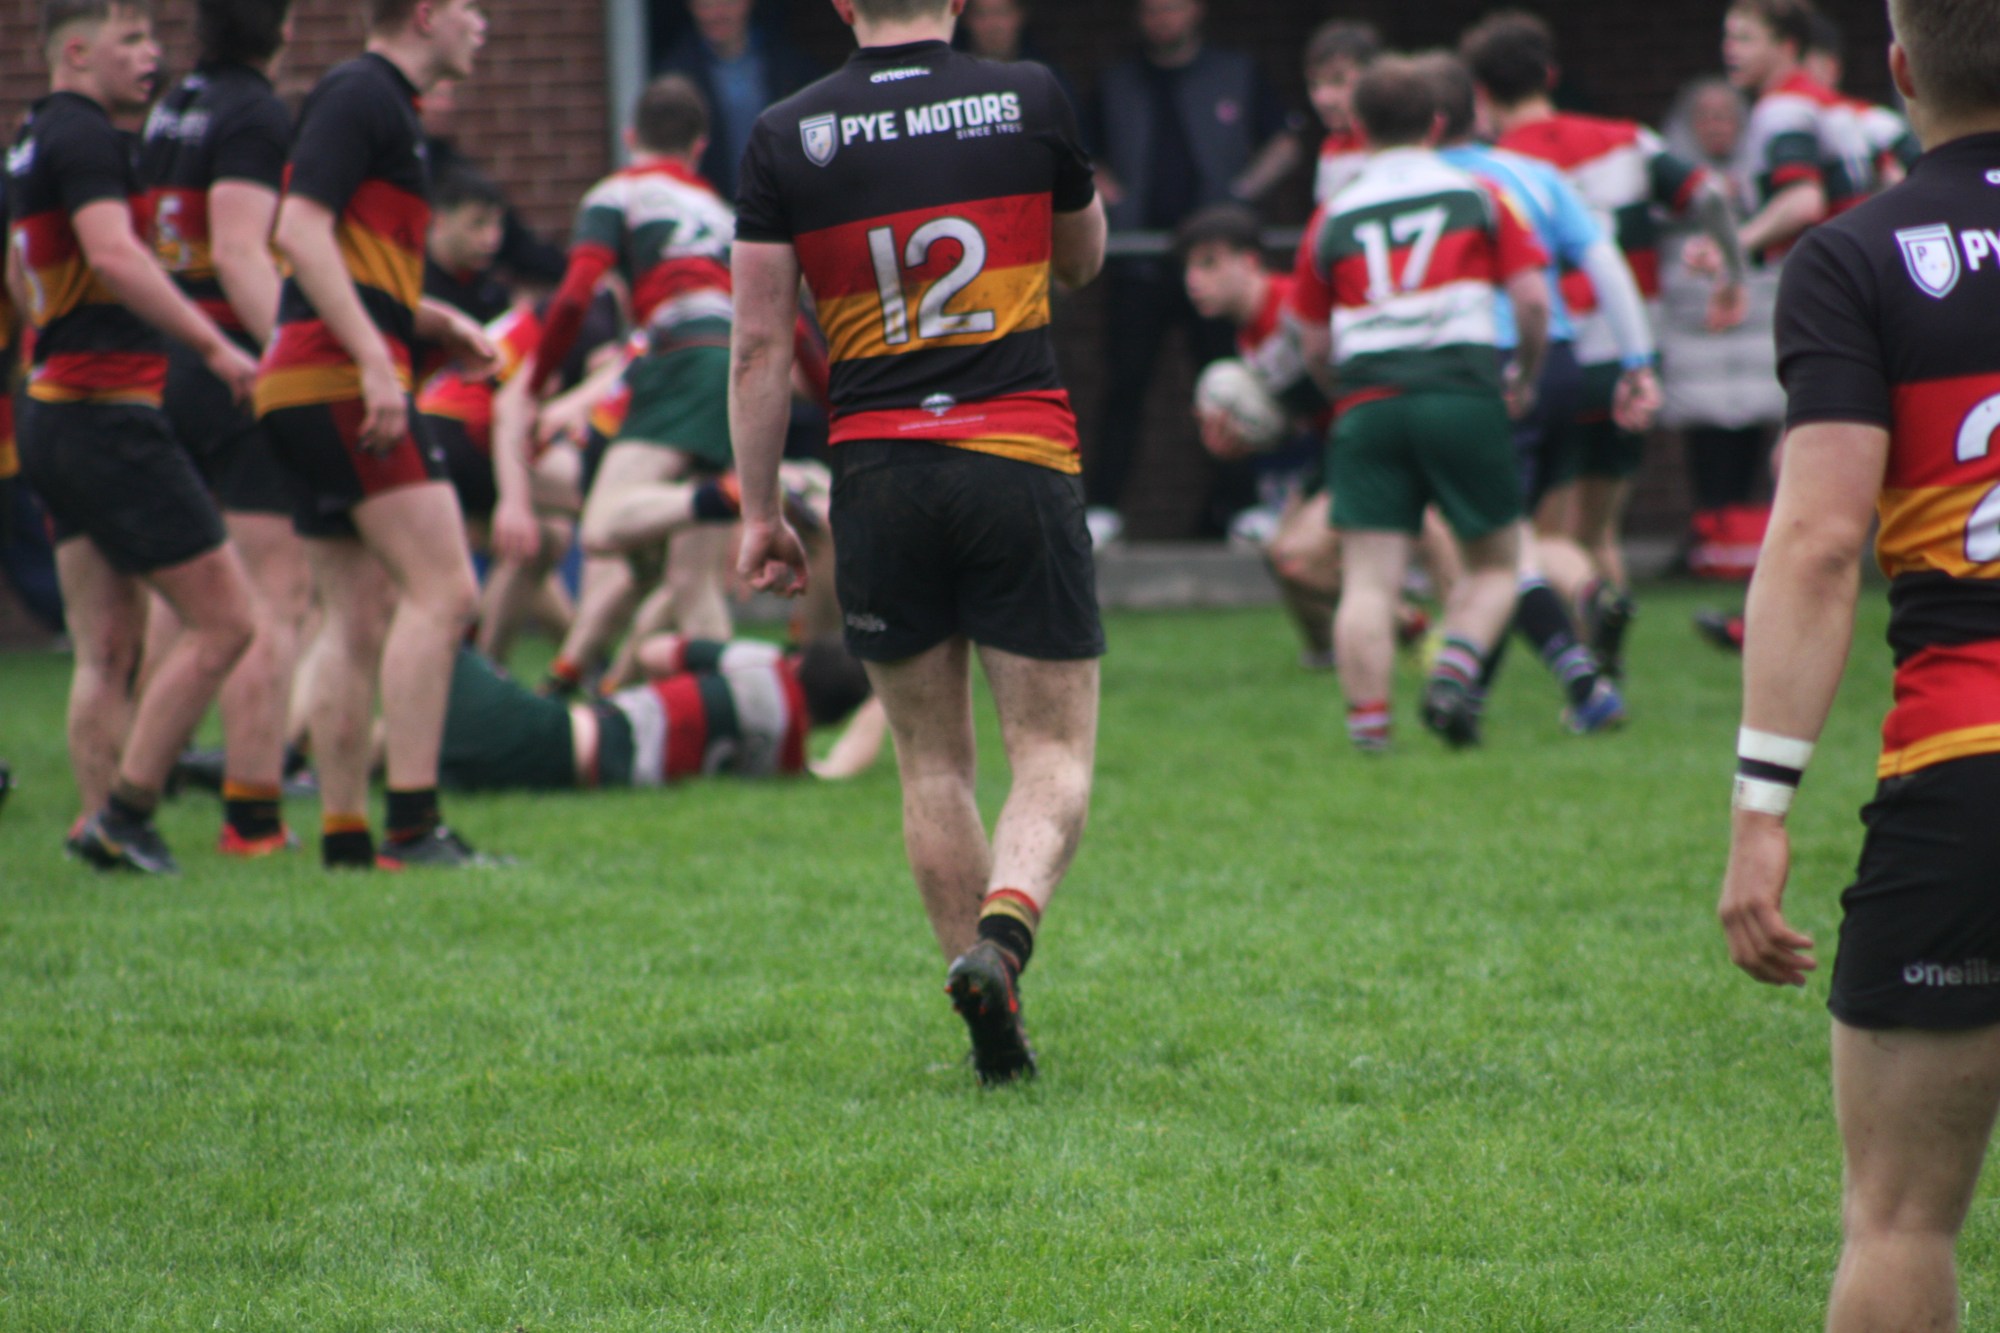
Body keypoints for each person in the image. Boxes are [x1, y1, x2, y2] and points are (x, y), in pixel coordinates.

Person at [730, 0, 1108, 1084]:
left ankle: (989, 1013)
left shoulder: (785, 134)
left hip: (877, 475)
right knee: (1051, 754)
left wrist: (761, 512)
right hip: (1016, 456)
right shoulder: (1027, 96)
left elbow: (758, 347)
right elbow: (1081, 261)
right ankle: (1005, 940)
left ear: (842, 4)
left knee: (931, 763)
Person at [1717, 3, 2000, 1325]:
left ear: (1896, 70)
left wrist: (1760, 808)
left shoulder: (1852, 257)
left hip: (1966, 766)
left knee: (1899, 1218)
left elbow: (1821, 543)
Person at [6, 0, 261, 874]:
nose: (153, 54)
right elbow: (114, 255)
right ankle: (127, 810)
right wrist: (215, 346)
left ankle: (97, 826)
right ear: (77, 51)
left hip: (50, 407)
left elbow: (23, 279)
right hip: (106, 412)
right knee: (228, 619)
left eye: (154, 37)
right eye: (133, 39)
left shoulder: (33, 136)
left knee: (105, 645)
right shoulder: (87, 137)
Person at [254, 0, 500, 870]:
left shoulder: (381, 102)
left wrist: (431, 320)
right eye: (469, 7)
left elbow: (349, 261)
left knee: (355, 614)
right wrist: (373, 358)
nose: (482, 24)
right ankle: (413, 825)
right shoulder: (362, 93)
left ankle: (346, 834)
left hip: (307, 381)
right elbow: (298, 231)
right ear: (426, 14)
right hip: (335, 379)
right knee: (447, 592)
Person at [1464, 9, 1749, 680]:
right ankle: (1608, 664)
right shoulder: (1628, 141)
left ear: (1481, 92)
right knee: (1600, 530)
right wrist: (1732, 274)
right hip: (1630, 359)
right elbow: (1709, 195)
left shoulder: (1497, 169)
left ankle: (1588, 647)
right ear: (1550, 75)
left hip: (1556, 361)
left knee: (1545, 535)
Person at [1289, 54, 1548, 754]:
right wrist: (1523, 374)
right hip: (1461, 392)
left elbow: (1311, 340)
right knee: (1496, 563)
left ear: (1359, 127)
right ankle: (1453, 674)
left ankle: (1370, 734)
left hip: (1367, 402)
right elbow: (1531, 301)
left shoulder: (1332, 215)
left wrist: (1344, 393)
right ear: (1436, 123)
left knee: (1368, 581)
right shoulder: (1479, 195)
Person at [1429, 52, 1652, 735]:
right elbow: (1606, 263)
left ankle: (1583, 684)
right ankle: (1586, 594)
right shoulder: (1536, 175)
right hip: (1560, 363)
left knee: (1486, 545)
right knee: (1529, 533)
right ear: (1478, 110)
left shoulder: (1420, 185)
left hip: (1485, 369)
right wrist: (1638, 362)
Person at [136, 0, 311, 860]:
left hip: (165, 358)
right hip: (232, 367)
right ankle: (253, 815)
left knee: (186, 587)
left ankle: (146, 771)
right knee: (275, 593)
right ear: (280, 25)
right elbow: (241, 253)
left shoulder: (174, 103)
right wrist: (295, 359)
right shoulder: (254, 111)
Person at [530, 75, 742, 694]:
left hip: (679, 358)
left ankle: (716, 496)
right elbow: (791, 319)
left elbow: (575, 296)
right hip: (734, 364)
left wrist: (538, 379)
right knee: (689, 581)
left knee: (602, 528)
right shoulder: (722, 212)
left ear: (630, 137)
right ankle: (736, 713)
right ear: (698, 147)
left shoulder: (617, 193)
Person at [1082, 0, 1304, 544]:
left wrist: (1240, 193)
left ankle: (1244, 506)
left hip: (1215, 258)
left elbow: (1286, 140)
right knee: (1126, 385)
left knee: (1233, 380)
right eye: (1151, 9)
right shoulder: (1116, 83)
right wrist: (1117, 201)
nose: (1162, 18)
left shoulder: (1236, 72)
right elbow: (1081, 153)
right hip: (1139, 260)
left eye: (1172, 7)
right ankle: (1103, 507)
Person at [438, 634, 874, 791]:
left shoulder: (763, 662)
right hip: (570, 767)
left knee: (436, 643)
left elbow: (653, 651)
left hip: (558, 730)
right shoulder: (784, 758)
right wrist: (885, 699)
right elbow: (839, 766)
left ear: (802, 659)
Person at [653, 0, 823, 205]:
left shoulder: (789, 67)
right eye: (706, 5)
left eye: (727, 3)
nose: (717, 14)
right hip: (707, 210)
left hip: (778, 208)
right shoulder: (674, 76)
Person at [1305, 20, 1381, 207]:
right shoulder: (1331, 146)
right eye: (1314, 85)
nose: (1323, 98)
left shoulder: (1397, 141)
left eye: (1338, 81)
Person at [422, 163, 510, 324]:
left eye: (497, 224)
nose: (491, 239)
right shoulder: (413, 283)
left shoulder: (492, 292)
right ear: (440, 221)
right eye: (478, 223)